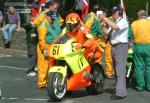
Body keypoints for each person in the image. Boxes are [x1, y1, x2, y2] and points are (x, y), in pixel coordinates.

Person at [99, 6, 129, 99]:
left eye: (114, 12)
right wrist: (102, 25)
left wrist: (104, 18)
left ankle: (120, 93)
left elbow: (115, 27)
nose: (112, 14)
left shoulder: (123, 21)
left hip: (120, 47)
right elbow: (107, 33)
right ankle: (119, 90)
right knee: (116, 71)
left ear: (118, 13)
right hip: (114, 47)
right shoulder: (115, 22)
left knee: (120, 71)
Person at [34, 0, 63, 88]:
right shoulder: (43, 15)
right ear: (50, 6)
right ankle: (42, 83)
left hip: (53, 45)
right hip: (45, 45)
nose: (56, 10)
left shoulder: (56, 15)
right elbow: (36, 24)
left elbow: (60, 22)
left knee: (51, 64)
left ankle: (48, 82)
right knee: (43, 65)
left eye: (57, 9)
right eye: (55, 8)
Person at [131, 10, 150, 91]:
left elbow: (129, 36)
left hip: (138, 46)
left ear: (139, 16)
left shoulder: (133, 24)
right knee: (149, 67)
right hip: (149, 46)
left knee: (139, 67)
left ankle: (140, 85)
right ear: (145, 15)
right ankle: (149, 85)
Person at [97, 7, 114, 79]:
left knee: (109, 57)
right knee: (98, 57)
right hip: (98, 41)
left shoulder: (109, 19)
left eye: (106, 12)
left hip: (106, 40)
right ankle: (98, 71)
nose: (105, 14)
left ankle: (109, 72)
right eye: (104, 12)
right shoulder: (96, 19)